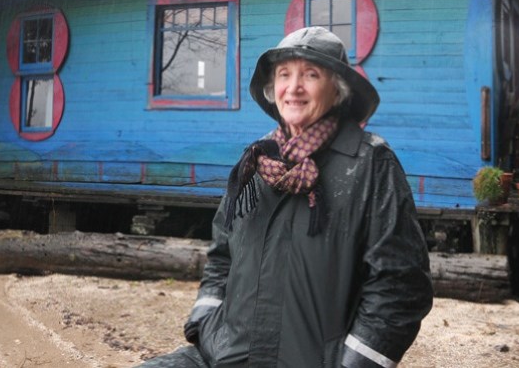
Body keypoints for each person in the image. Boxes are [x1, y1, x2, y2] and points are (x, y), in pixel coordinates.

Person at [138, 27, 433, 367]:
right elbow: (222, 255)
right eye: (284, 75)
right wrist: (207, 327)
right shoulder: (255, 161)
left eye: (310, 74)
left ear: (337, 89)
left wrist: (353, 363)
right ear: (271, 89)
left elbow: (401, 286)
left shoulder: (371, 164)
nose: (293, 88)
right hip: (224, 358)